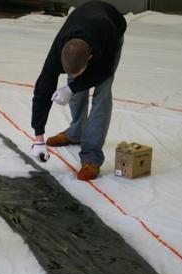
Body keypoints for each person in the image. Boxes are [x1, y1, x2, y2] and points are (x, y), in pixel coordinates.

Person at [30, 1, 126, 180]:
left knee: (102, 93)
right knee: (76, 85)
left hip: (111, 30)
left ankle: (92, 156)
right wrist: (38, 137)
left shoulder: (106, 38)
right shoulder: (59, 48)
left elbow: (103, 71)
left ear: (90, 57)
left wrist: (72, 87)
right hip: (85, 22)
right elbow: (42, 91)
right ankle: (75, 133)